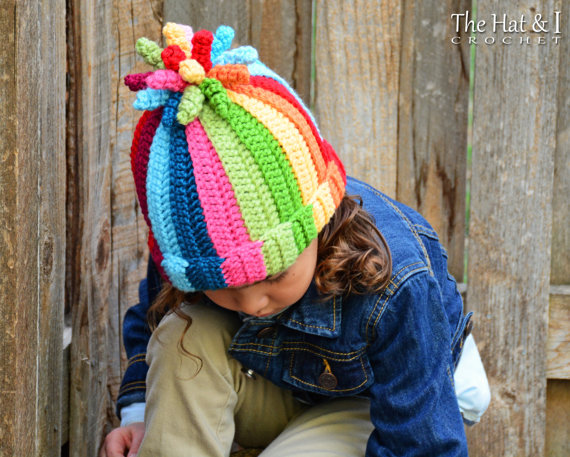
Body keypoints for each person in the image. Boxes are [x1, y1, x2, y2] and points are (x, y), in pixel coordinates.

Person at [101, 23, 490, 457]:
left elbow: (423, 444)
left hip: (402, 397)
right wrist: (140, 416)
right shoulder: (195, 240)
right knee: (184, 336)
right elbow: (153, 315)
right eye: (225, 285)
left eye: (274, 274)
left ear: (320, 225)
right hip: (287, 379)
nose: (250, 304)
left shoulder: (395, 281)